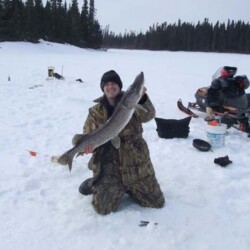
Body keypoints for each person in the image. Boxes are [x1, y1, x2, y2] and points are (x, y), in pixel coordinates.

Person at [72, 70, 165, 215]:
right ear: (103, 88)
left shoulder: (131, 104)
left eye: (113, 83)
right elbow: (87, 135)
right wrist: (88, 148)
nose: (110, 87)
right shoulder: (95, 111)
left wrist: (142, 97)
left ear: (119, 86)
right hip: (109, 164)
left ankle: (130, 186)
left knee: (157, 203)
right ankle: (97, 182)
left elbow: (149, 115)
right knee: (103, 209)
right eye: (107, 84)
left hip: (135, 163)